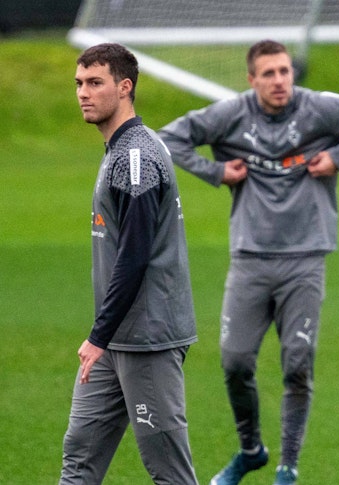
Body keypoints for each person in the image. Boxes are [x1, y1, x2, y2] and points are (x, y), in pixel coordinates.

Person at [158, 39, 339, 485]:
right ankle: (251, 451)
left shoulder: (319, 109)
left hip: (306, 256)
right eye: (268, 74)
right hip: (250, 257)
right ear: (251, 80)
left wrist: (338, 157)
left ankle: (288, 467)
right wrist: (216, 172)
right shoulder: (230, 114)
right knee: (234, 362)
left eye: (285, 71)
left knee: (298, 362)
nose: (279, 81)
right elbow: (168, 138)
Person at [60, 43, 199, 484]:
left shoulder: (136, 156)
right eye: (79, 83)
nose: (83, 92)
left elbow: (134, 255)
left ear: (125, 88)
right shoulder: (119, 151)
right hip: (115, 338)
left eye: (95, 83)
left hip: (148, 339)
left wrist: (98, 335)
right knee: (79, 459)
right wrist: (104, 336)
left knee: (170, 473)